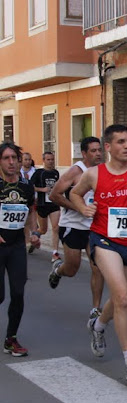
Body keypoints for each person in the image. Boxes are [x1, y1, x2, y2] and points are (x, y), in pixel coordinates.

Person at [70, 124, 127, 381]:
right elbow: (74, 193)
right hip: (104, 240)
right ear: (108, 147)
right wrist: (83, 209)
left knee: (122, 297)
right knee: (122, 296)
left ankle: (98, 325)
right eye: (120, 141)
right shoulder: (95, 174)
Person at [47, 137, 106, 325]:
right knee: (72, 269)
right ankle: (58, 270)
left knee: (98, 267)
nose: (98, 154)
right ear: (84, 153)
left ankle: (95, 309)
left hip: (94, 227)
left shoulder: (103, 171)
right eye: (93, 151)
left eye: (99, 150)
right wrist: (78, 207)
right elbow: (54, 194)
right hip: (73, 225)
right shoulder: (75, 171)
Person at [0, 142, 40, 356]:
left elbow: (31, 211)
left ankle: (11, 338)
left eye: (14, 158)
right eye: (6, 158)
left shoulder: (26, 187)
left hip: (16, 246)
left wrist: (34, 233)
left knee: (18, 293)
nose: (11, 162)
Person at [31, 152, 61, 261]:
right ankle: (34, 238)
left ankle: (55, 253)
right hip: (42, 204)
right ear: (44, 160)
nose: (51, 162)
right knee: (43, 230)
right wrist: (41, 190)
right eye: (48, 159)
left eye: (52, 159)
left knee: (56, 228)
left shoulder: (56, 173)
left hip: (54, 204)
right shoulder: (39, 172)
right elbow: (30, 186)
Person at [20, 153, 37, 253]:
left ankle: (34, 235)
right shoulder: (18, 171)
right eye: (25, 159)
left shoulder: (35, 171)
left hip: (35, 199)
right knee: (26, 222)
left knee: (34, 221)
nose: (28, 161)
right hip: (23, 200)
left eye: (29, 159)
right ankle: (27, 242)